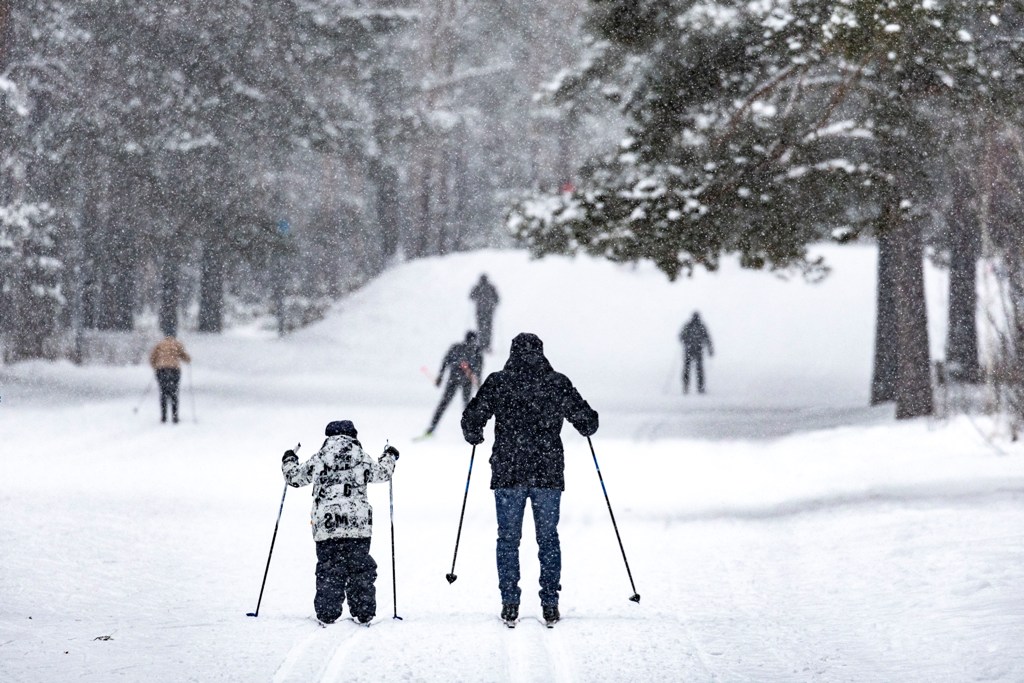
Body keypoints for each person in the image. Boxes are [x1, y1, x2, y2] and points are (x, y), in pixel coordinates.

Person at [461, 332, 598, 626]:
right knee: (548, 539)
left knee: (508, 540)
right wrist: (586, 423)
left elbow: (473, 417)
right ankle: (550, 602)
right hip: (547, 472)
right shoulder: (557, 382)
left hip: (508, 472)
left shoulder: (499, 382)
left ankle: (510, 601)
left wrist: (475, 433)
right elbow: (586, 419)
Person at [281, 420, 399, 625]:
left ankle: (327, 612)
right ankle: (364, 611)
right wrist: (390, 455)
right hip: (358, 526)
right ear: (353, 435)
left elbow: (294, 478)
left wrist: (289, 459)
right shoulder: (360, 457)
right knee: (359, 567)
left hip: (327, 526)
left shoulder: (320, 458)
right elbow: (383, 473)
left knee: (329, 567)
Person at [424, 331, 483, 437]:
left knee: (463, 406)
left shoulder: (473, 351)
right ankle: (432, 429)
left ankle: (469, 430)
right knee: (449, 404)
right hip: (455, 380)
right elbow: (446, 361)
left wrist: (477, 381)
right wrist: (440, 377)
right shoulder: (459, 348)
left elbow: (478, 369)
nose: (470, 344)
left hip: (464, 382)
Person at [148, 334, 191, 423]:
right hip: (174, 370)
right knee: (174, 393)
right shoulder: (177, 344)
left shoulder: (159, 344)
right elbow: (184, 356)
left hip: (161, 370)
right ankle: (175, 417)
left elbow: (152, 357)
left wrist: (155, 366)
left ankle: (164, 417)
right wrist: (188, 360)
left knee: (163, 392)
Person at [679, 311, 713, 394]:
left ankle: (686, 387)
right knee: (698, 370)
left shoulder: (689, 326)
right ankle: (699, 388)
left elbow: (681, 336)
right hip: (697, 350)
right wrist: (710, 350)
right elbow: (707, 338)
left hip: (690, 350)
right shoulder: (700, 326)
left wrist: (686, 341)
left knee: (689, 369)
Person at [469, 274, 500, 352]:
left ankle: (482, 344)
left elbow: (471, 296)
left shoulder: (478, 287)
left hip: (480, 311)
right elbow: (497, 299)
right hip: (489, 311)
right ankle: (486, 345)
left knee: (481, 328)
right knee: (487, 328)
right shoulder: (491, 287)